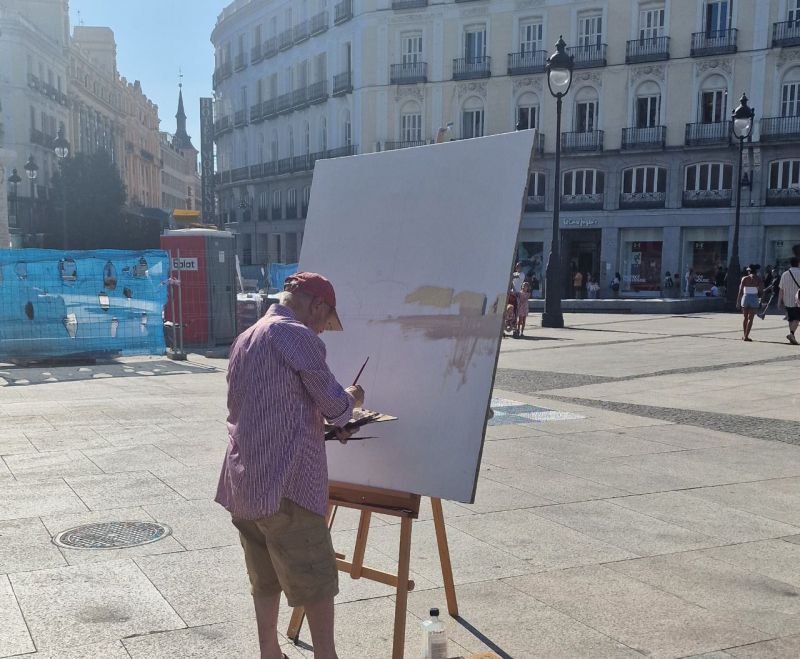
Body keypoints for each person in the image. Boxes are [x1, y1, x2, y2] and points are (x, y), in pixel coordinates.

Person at [216, 271, 365, 659]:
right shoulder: (295, 334)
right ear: (316, 305)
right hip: (287, 484)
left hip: (245, 482)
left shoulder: (246, 338)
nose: (323, 331)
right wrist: (352, 399)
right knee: (315, 579)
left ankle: (270, 652)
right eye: (325, 322)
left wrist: (321, 422)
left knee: (265, 579)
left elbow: (273, 406)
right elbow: (335, 406)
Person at [736, 264, 763, 342]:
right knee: (750, 319)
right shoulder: (758, 279)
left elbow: (740, 291)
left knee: (745, 318)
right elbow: (761, 291)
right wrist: (760, 300)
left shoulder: (744, 278)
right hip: (754, 298)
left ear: (749, 271)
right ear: (756, 271)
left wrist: (738, 302)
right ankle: (746, 336)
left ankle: (744, 335)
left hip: (745, 297)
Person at [779, 256, 800, 345]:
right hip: (798, 300)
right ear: (798, 263)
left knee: (791, 319)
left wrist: (779, 301)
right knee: (797, 318)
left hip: (787, 300)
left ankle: (792, 336)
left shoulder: (785, 274)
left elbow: (781, 289)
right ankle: (791, 334)